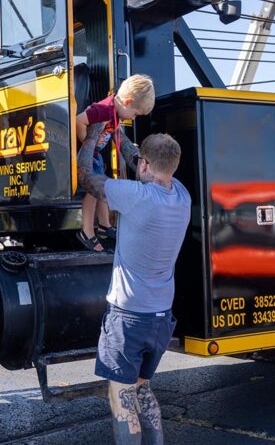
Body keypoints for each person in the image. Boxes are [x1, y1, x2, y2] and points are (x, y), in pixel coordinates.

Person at [78, 122, 191, 444]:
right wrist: (118, 135)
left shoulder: (136, 196)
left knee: (121, 397)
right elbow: (138, 158)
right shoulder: (180, 194)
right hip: (159, 319)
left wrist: (94, 134)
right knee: (142, 390)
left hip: (129, 318)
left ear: (144, 165)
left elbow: (86, 177)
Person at [75, 74, 156, 251]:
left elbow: (116, 133)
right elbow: (78, 121)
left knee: (105, 187)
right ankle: (86, 231)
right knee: (92, 191)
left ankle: (104, 226)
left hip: (95, 155)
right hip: (87, 156)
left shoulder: (115, 113)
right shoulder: (103, 109)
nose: (133, 119)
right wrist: (90, 145)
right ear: (127, 102)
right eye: (135, 114)